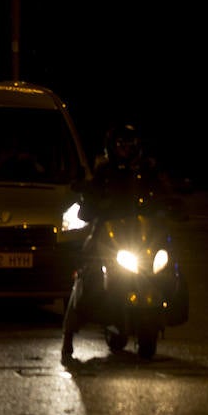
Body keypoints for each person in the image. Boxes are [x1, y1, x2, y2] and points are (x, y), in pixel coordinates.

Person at [60, 123, 163, 360]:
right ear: (112, 147)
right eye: (121, 145)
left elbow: (160, 195)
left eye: (130, 145)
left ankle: (166, 305)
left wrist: (169, 208)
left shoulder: (145, 172)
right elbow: (89, 202)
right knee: (87, 274)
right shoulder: (104, 172)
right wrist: (90, 203)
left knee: (165, 263)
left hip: (138, 234)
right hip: (107, 233)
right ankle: (68, 334)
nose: (126, 150)